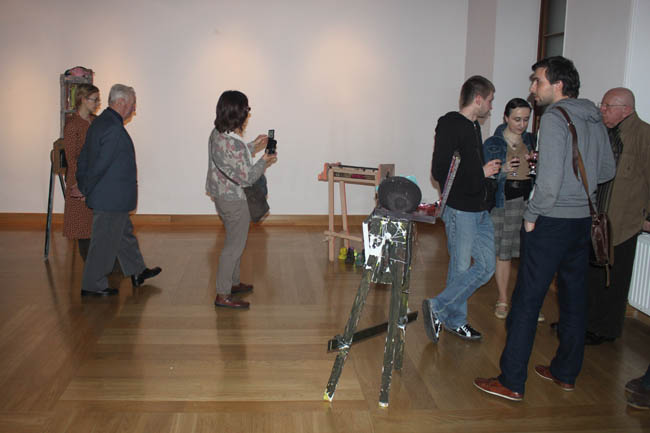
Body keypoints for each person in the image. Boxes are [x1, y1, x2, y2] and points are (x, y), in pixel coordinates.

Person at [474, 56, 615, 401]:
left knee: (526, 300)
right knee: (574, 300)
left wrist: (532, 214)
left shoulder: (554, 117)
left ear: (558, 85)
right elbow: (607, 170)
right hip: (581, 222)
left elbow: (549, 185)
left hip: (550, 221)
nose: (532, 88)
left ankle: (511, 381)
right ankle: (566, 373)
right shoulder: (593, 116)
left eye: (538, 81)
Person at [423, 75, 500, 342]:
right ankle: (455, 321)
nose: (491, 106)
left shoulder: (474, 127)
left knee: (487, 266)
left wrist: (485, 175)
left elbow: (468, 169)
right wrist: (481, 172)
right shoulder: (450, 124)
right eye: (489, 100)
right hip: (460, 210)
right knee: (461, 268)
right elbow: (439, 171)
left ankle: (438, 307)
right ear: (478, 99)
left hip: (480, 209)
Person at [76, 84, 161, 296]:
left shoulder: (100, 122)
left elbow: (84, 157)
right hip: (110, 197)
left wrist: (82, 182)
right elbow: (100, 165)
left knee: (124, 235)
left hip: (112, 196)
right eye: (133, 104)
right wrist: (85, 188)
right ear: (121, 102)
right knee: (103, 243)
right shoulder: (113, 128)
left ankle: (138, 271)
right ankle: (92, 285)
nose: (134, 109)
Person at [584, 87, 650, 345]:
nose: (602, 110)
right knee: (592, 274)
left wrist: (647, 217)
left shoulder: (643, 135)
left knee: (614, 278)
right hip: (598, 218)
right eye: (602, 105)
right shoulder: (604, 132)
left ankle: (604, 329)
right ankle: (585, 322)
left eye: (607, 106)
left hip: (624, 222)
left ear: (626, 109)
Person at [206, 90, 277, 309]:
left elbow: (232, 157)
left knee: (233, 241)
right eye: (246, 108)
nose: (248, 112)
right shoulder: (232, 143)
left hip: (222, 196)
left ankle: (233, 283)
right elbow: (247, 177)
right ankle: (223, 294)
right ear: (238, 113)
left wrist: (254, 145)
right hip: (235, 200)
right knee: (234, 247)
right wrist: (265, 159)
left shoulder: (218, 134)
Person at [483, 98, 539, 320]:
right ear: (506, 118)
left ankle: (525, 302)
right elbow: (487, 177)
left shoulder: (532, 140)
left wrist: (536, 163)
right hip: (503, 202)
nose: (521, 124)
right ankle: (503, 299)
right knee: (503, 253)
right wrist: (503, 169)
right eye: (517, 119)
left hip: (528, 202)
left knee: (528, 253)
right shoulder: (493, 143)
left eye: (526, 119)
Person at [62, 83, 100, 260]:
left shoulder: (95, 122)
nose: (97, 103)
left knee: (95, 225)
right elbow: (71, 158)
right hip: (80, 179)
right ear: (83, 100)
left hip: (95, 177)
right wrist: (81, 185)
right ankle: (90, 267)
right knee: (83, 228)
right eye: (94, 100)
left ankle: (97, 265)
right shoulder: (72, 125)